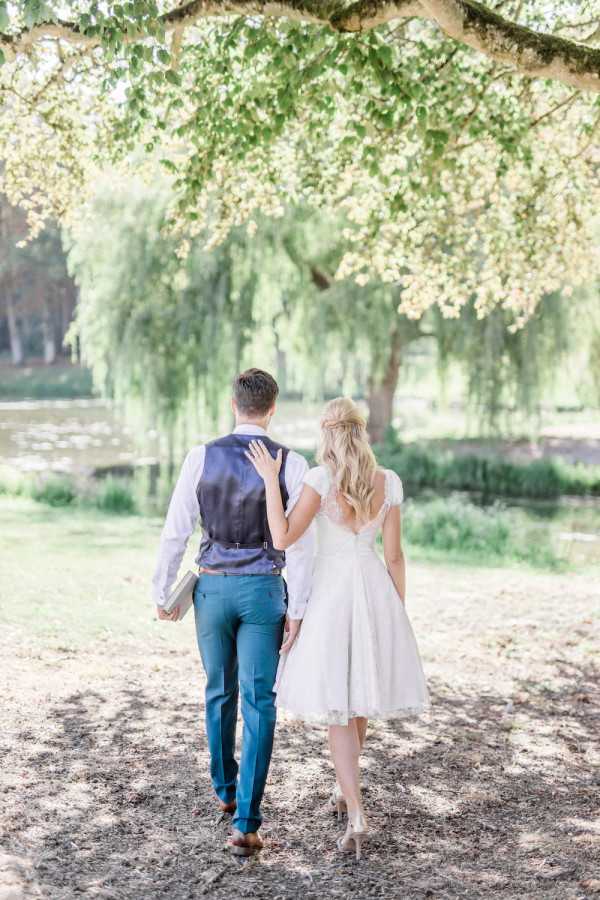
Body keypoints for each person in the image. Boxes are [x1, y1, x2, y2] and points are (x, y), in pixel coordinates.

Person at [246, 396, 430, 860]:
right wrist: (396, 611)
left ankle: (357, 814)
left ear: (327, 434)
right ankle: (344, 790)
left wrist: (271, 482)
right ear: (361, 431)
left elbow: (283, 536)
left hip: (333, 596)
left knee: (338, 705)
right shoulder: (386, 481)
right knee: (359, 695)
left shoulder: (319, 479)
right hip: (374, 590)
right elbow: (394, 556)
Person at [152, 369, 314, 856]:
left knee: (219, 689)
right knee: (259, 701)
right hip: (265, 592)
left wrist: (162, 593)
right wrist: (298, 608)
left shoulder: (201, 456)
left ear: (233, 405)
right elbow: (300, 548)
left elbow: (175, 531)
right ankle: (246, 819)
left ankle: (225, 789)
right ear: (272, 409)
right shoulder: (292, 462)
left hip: (214, 590)